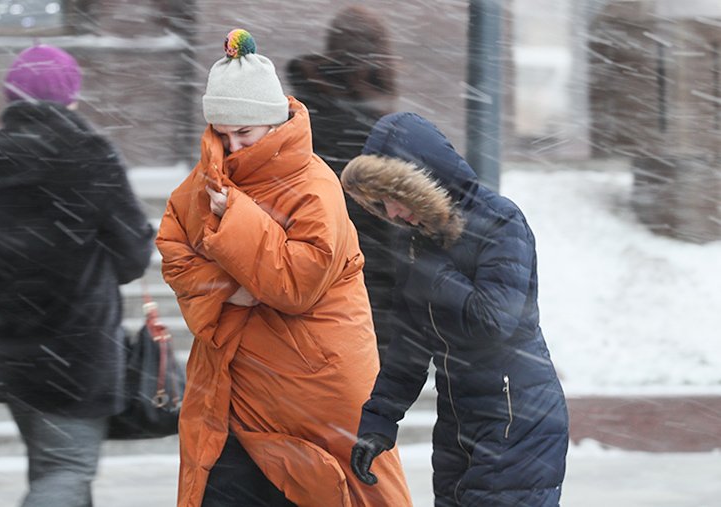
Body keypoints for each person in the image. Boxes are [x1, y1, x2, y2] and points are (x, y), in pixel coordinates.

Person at [155, 29, 412, 507]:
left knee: (332, 487)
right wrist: (228, 291)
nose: (232, 148)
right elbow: (173, 247)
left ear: (273, 124)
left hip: (310, 388)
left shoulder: (315, 185)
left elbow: (296, 283)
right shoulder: (207, 179)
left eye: (244, 133)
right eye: (223, 134)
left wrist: (235, 217)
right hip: (234, 388)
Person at [343, 112, 570, 506]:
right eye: (381, 203)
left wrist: (431, 273)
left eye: (396, 198)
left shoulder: (501, 221)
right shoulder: (419, 242)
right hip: (457, 424)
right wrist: (380, 420)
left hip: (517, 420)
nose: (392, 213)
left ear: (425, 183)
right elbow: (410, 344)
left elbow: (495, 320)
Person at [0, 44, 154, 507]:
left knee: (53, 468)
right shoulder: (89, 152)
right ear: (71, 96)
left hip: (10, 343)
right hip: (75, 348)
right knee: (66, 470)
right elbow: (132, 250)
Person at [286, 6, 401, 357]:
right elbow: (390, 220)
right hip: (369, 277)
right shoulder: (381, 124)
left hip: (311, 270)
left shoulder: (303, 115)